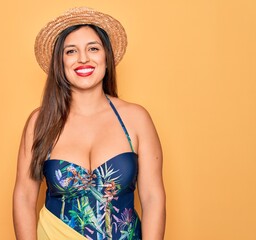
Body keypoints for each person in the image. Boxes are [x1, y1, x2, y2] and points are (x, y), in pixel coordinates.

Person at [13, 7, 166, 240]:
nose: (83, 58)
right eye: (71, 51)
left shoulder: (136, 119)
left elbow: (153, 198)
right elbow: (24, 197)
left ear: (106, 58)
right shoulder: (40, 121)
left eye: (93, 48)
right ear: (60, 62)